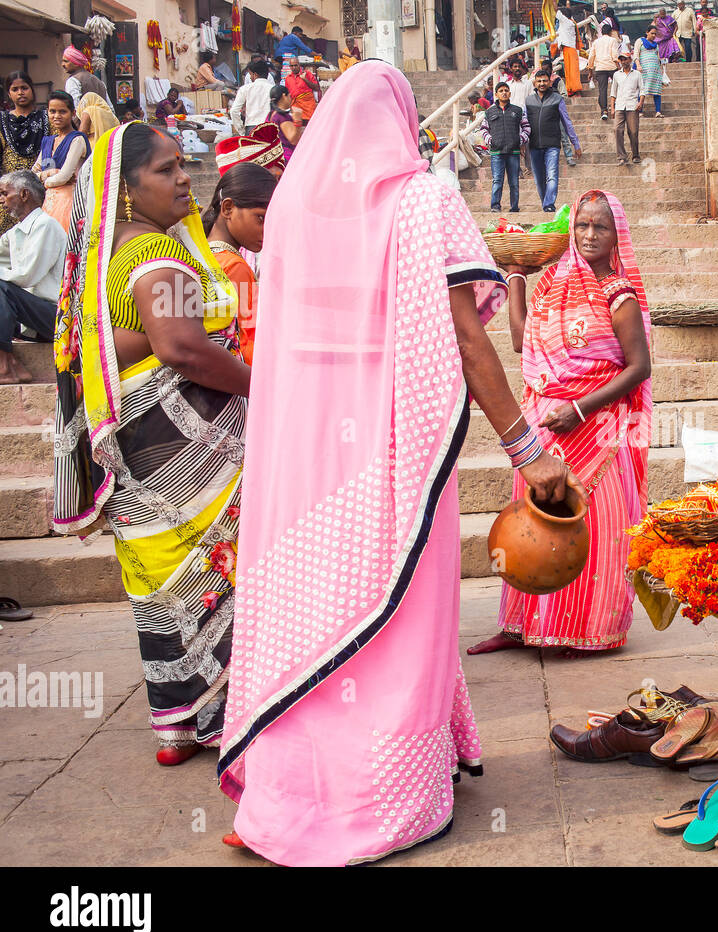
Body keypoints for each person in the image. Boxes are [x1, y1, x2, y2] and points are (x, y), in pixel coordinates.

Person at [215, 61, 575, 866]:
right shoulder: (421, 201)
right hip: (391, 453)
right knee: (399, 612)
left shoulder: (297, 210)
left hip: (306, 463)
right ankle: (388, 794)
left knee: (317, 612)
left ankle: (289, 796)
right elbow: (468, 339)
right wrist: (529, 449)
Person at [50, 121, 248, 764]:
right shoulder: (154, 256)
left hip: (130, 436)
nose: (185, 177)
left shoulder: (113, 255)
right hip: (178, 434)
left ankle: (177, 722)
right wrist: (268, 388)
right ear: (128, 190)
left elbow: (121, 346)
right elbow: (182, 347)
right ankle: (225, 715)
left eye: (182, 165)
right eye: (166, 170)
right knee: (218, 563)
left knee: (159, 575)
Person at [469, 189, 651, 658]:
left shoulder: (619, 293)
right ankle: (517, 626)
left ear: (617, 236)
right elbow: (519, 341)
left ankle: (586, 629)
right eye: (583, 225)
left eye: (601, 227)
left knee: (595, 527)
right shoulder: (553, 282)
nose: (590, 235)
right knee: (529, 525)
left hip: (598, 427)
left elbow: (639, 368)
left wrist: (581, 409)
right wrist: (516, 279)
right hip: (543, 425)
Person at [202, 162, 276, 365]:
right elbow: (250, 342)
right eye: (260, 219)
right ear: (228, 208)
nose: (266, 231)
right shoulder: (234, 267)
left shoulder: (205, 254)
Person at [0, 171, 65, 384]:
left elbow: (26, 275)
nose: (1, 200)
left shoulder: (46, 225)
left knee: (2, 287)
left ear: (24, 194)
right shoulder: (16, 232)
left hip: (56, 319)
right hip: (32, 320)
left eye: (4, 193)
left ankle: (4, 364)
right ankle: (11, 363)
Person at [0, 71, 50, 236]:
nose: (20, 92)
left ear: (32, 90)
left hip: (41, 188)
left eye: (24, 88)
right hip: (10, 190)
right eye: (15, 89)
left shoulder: (46, 118)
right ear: (9, 93)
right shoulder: (2, 121)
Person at [525, 66, 581, 213]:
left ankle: (549, 203)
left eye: (545, 81)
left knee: (552, 175)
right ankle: (546, 203)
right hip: (534, 144)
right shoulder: (529, 100)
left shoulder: (557, 99)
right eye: (539, 81)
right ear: (534, 84)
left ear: (550, 82)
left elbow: (567, 122)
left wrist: (575, 143)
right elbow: (524, 124)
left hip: (552, 144)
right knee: (539, 178)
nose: (542, 83)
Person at [34, 92, 89, 232]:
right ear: (47, 112)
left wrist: (43, 178)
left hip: (69, 202)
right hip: (47, 201)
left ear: (73, 113)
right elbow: (33, 173)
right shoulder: (48, 141)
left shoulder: (77, 140)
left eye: (62, 111)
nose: (56, 116)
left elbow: (64, 177)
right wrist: (52, 173)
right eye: (52, 111)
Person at [483, 82, 529, 213]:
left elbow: (526, 127)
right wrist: (491, 141)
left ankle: (514, 207)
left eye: (506, 90)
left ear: (510, 93)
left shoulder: (517, 110)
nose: (504, 92)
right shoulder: (489, 112)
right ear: (496, 94)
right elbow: (484, 129)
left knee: (514, 182)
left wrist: (520, 140)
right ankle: (495, 206)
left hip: (513, 152)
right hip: (496, 152)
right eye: (501, 90)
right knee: (497, 180)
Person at [611, 53, 643, 165]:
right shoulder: (616, 75)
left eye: (625, 59)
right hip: (619, 105)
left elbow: (642, 90)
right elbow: (613, 92)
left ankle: (635, 155)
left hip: (632, 105)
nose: (623, 62)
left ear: (630, 60)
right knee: (617, 130)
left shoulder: (637, 74)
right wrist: (612, 108)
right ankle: (621, 156)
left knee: (633, 131)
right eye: (621, 60)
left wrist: (641, 102)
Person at [231, 59, 275, 134]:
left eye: (250, 74)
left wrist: (241, 130)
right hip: (270, 128)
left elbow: (234, 111)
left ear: (255, 74)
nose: (250, 78)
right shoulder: (273, 89)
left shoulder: (245, 89)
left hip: (251, 128)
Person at [268, 85, 305, 164]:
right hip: (287, 157)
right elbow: (294, 140)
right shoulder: (281, 117)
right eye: (289, 96)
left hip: (276, 154)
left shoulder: (271, 114)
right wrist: (298, 120)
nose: (290, 99)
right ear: (284, 96)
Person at [590, 23, 620, 121]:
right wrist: (618, 66)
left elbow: (591, 57)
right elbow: (615, 55)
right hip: (611, 66)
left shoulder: (596, 42)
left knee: (602, 90)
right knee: (618, 87)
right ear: (611, 32)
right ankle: (617, 106)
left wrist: (590, 70)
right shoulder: (613, 40)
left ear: (601, 32)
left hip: (600, 68)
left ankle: (604, 111)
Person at [634, 27, 664, 117]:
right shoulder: (640, 41)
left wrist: (661, 69)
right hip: (643, 71)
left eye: (655, 34)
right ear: (647, 32)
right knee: (642, 90)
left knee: (657, 91)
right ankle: (640, 111)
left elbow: (658, 58)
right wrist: (638, 65)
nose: (654, 35)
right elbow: (636, 54)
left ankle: (658, 111)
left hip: (655, 71)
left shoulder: (656, 45)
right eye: (652, 33)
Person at [556, 2, 582, 97]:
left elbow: (556, 12)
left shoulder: (566, 22)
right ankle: (571, 90)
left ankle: (575, 90)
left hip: (570, 49)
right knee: (568, 70)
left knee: (572, 71)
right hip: (568, 49)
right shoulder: (570, 22)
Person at [284, 56, 321, 123]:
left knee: (310, 125)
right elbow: (288, 94)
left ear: (299, 65)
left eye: (295, 65)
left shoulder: (307, 74)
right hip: (295, 106)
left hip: (308, 106)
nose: (294, 67)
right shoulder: (288, 78)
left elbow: (316, 87)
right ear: (289, 67)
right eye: (292, 66)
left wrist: (304, 79)